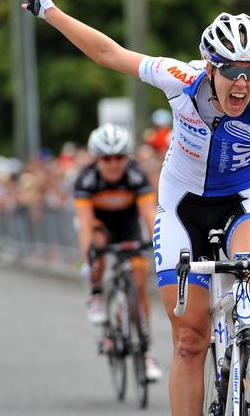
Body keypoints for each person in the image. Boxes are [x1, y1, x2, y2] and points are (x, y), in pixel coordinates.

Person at [22, 0, 250, 415]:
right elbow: (110, 54)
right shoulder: (180, 79)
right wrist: (50, 12)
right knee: (190, 341)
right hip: (181, 207)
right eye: (230, 71)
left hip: (241, 205)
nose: (241, 83)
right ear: (211, 67)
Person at [73, 123, 162, 381]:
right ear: (97, 158)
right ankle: (97, 293)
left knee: (139, 276)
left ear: (127, 157)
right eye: (106, 158)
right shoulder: (87, 179)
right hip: (100, 224)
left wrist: (160, 242)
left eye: (119, 157)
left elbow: (149, 214)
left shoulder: (136, 176)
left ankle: (145, 350)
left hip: (127, 225)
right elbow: (86, 227)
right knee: (97, 248)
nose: (113, 164)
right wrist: (90, 259)